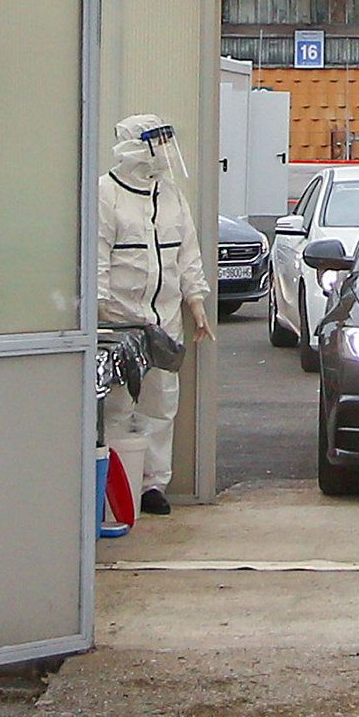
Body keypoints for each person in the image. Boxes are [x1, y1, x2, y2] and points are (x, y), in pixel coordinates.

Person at [97, 113, 214, 522]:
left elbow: (187, 253)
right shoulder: (107, 194)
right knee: (118, 403)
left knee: (161, 401)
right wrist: (100, 315)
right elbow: (97, 258)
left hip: (165, 318)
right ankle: (115, 485)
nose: (163, 152)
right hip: (120, 318)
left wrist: (196, 301)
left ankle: (152, 484)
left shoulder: (170, 195)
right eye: (156, 143)